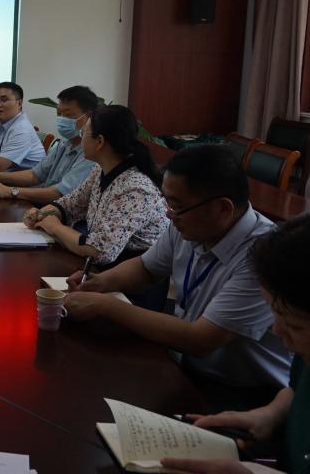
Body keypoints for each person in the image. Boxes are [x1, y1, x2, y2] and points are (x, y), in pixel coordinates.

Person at [160, 210, 310, 474]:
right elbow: (296, 389)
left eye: (294, 325)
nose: (277, 330)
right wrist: (271, 415)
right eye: (275, 313)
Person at [63, 145, 291, 410]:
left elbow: (200, 340)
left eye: (177, 206)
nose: (168, 214)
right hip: (186, 365)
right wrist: (100, 282)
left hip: (245, 395)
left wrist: (106, 305)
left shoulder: (263, 257)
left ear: (223, 209)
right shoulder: (188, 224)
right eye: (167, 202)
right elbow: (146, 268)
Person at [25, 105, 168, 267]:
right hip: (105, 266)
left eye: (83, 133)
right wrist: (41, 214)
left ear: (99, 141)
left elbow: (101, 251)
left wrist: (55, 227)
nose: (81, 139)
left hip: (134, 272)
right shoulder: (100, 170)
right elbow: (71, 204)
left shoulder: (135, 188)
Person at [0, 85, 98, 202]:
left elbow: (60, 194)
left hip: (56, 209)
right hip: (43, 205)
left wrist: (10, 191)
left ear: (89, 116)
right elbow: (35, 175)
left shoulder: (91, 154)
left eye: (68, 114)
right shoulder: (65, 143)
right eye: (59, 114)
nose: (62, 119)